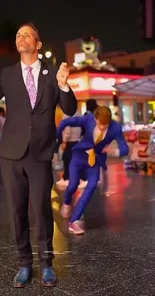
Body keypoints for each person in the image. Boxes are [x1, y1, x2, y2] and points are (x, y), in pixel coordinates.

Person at [0, 23, 77, 288]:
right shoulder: (6, 75)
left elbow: (69, 109)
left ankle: (46, 265)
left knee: (41, 210)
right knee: (17, 210)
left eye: (27, 34)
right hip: (11, 153)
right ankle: (24, 264)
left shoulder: (53, 74)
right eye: (18, 35)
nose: (21, 38)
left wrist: (64, 86)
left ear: (38, 43)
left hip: (41, 153)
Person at [57, 106, 129, 235]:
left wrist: (114, 151)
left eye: (105, 126)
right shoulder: (88, 119)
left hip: (95, 161)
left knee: (90, 188)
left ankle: (74, 221)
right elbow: (66, 122)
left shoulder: (115, 128)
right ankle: (67, 202)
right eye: (100, 124)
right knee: (73, 185)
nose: (102, 128)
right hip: (79, 157)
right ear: (95, 118)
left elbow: (125, 149)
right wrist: (57, 138)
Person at [55, 110, 82, 188]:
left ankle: (67, 178)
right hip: (77, 140)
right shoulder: (78, 113)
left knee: (67, 160)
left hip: (70, 141)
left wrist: (64, 141)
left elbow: (67, 129)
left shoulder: (67, 114)